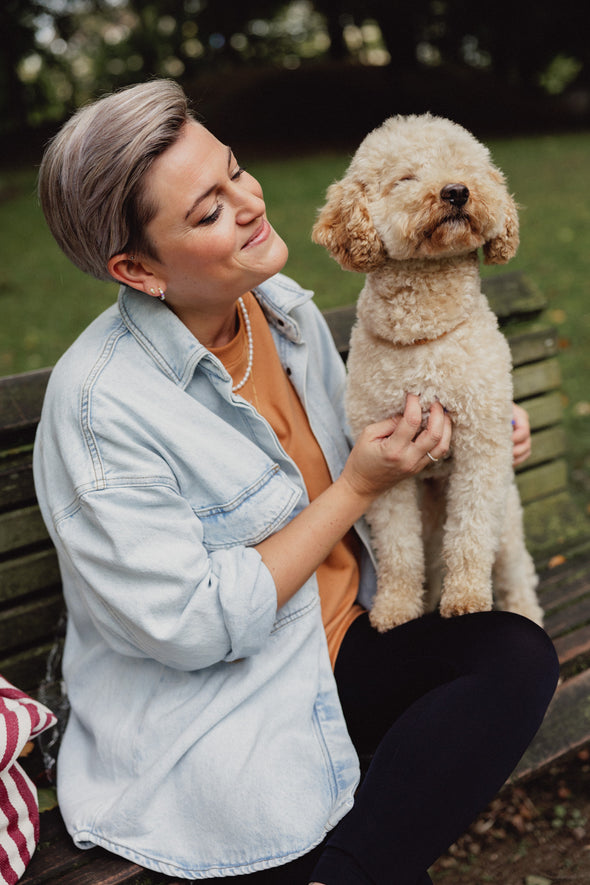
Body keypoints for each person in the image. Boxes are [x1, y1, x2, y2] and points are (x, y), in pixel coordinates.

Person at [33, 79, 559, 884]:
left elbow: (365, 438)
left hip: (340, 641)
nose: (248, 203)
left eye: (236, 171)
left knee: (515, 654)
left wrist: (460, 438)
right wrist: (353, 487)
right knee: (328, 826)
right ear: (135, 268)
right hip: (223, 706)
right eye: (207, 211)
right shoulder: (101, 406)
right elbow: (197, 624)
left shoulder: (278, 309)